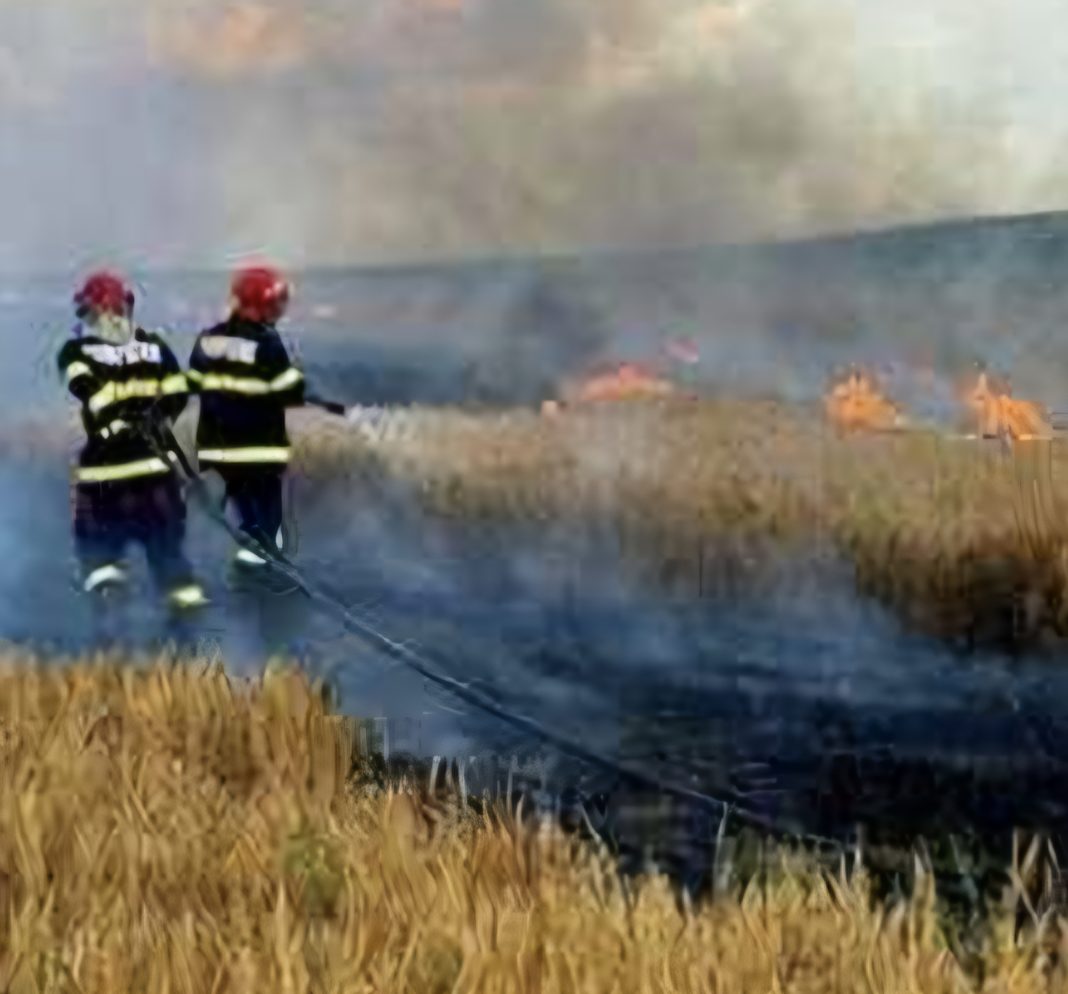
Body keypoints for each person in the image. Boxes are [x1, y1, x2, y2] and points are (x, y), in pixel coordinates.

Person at [56, 271, 208, 612]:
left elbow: (83, 386)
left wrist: (118, 419)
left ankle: (111, 622)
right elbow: (177, 393)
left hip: (104, 477)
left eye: (87, 312)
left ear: (93, 310)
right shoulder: (156, 347)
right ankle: (190, 632)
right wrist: (154, 418)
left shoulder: (76, 350)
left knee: (98, 553)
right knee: (168, 552)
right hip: (155, 475)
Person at [187, 265, 311, 576]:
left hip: (219, 449)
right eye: (278, 304)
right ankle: (265, 569)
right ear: (263, 304)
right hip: (259, 448)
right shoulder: (267, 342)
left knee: (248, 508)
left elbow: (192, 382)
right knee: (268, 510)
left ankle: (253, 558)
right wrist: (302, 386)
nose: (281, 311)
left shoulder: (208, 339)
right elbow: (288, 391)